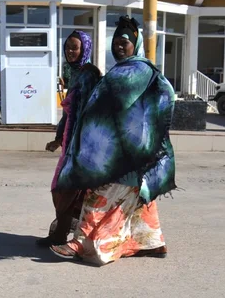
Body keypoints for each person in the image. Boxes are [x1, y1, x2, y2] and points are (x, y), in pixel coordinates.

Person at [50, 16, 177, 266]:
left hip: (122, 154)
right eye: (116, 41)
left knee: (98, 194)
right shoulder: (123, 69)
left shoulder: (140, 70)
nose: (119, 46)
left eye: (125, 42)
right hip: (125, 152)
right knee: (137, 197)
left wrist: (144, 132)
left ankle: (82, 243)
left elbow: (167, 96)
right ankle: (151, 242)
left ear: (135, 45)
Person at [37, 30, 102, 247]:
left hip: (83, 144)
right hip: (69, 141)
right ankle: (62, 234)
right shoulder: (73, 72)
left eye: (74, 47)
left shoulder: (90, 73)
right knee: (65, 189)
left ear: (85, 48)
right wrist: (58, 139)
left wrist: (85, 144)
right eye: (67, 48)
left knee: (68, 189)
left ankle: (72, 237)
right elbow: (68, 113)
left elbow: (92, 111)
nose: (70, 52)